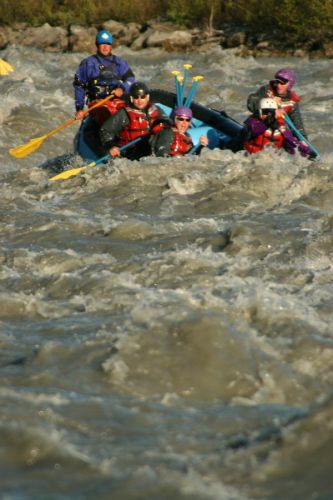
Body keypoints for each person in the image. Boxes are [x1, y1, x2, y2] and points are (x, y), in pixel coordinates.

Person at [73, 29, 135, 124]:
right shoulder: (88, 63)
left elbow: (131, 79)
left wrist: (122, 88)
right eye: (102, 44)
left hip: (116, 105)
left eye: (107, 44)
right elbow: (79, 85)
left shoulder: (119, 63)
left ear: (111, 46)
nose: (105, 47)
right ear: (97, 45)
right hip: (96, 106)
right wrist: (79, 108)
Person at [99, 81, 172, 161]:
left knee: (166, 130)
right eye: (136, 97)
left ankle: (163, 157)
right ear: (131, 98)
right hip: (129, 153)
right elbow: (105, 130)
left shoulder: (155, 109)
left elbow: (167, 121)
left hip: (148, 150)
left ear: (147, 97)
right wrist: (111, 146)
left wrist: (159, 125)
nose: (139, 101)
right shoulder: (124, 113)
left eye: (142, 97)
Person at [247, 68, 307, 139]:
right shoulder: (266, 90)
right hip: (257, 126)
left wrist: (303, 139)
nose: (278, 85)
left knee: (289, 138)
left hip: (276, 130)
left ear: (290, 84)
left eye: (282, 83)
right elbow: (251, 103)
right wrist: (269, 103)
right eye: (277, 82)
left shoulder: (292, 101)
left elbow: (297, 124)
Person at [243, 97, 312, 156]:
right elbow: (255, 130)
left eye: (272, 112)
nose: (269, 114)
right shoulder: (252, 121)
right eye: (266, 112)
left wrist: (305, 149)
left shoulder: (281, 129)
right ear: (260, 112)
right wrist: (271, 119)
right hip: (251, 157)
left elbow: (294, 148)